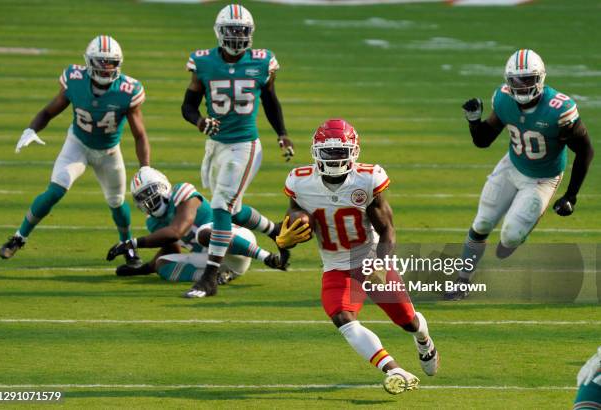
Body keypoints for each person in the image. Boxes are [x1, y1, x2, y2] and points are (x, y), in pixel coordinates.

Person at [277, 119, 439, 395]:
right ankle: (394, 369)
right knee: (342, 317)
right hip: (336, 266)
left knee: (407, 321)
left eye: (340, 152)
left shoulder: (367, 178)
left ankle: (424, 339)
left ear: (353, 152)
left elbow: (387, 229)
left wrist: (380, 263)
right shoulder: (300, 181)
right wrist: (284, 240)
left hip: (370, 257)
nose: (334, 157)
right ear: (316, 152)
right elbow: (295, 218)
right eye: (328, 152)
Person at [446, 49, 594, 301]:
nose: (521, 86)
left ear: (540, 78)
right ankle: (462, 280)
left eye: (527, 79)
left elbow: (586, 151)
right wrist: (474, 121)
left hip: (542, 178)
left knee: (510, 236)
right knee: (482, 222)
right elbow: (484, 140)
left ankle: (512, 240)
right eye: (516, 80)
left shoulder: (559, 109)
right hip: (511, 166)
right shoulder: (503, 99)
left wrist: (571, 195)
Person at [0, 35, 151, 268]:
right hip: (77, 144)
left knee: (117, 202)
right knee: (55, 189)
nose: (106, 67)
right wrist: (31, 129)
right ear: (90, 62)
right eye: (101, 62)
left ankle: (127, 248)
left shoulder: (127, 90)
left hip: (109, 151)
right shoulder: (75, 79)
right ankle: (19, 237)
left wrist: (145, 167)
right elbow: (48, 111)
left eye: (111, 62)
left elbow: (139, 134)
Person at [181, 4, 294, 298]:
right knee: (232, 207)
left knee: (220, 206)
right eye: (232, 30)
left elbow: (270, 100)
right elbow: (188, 106)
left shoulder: (262, 62)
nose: (237, 35)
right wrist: (200, 121)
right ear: (220, 32)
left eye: (242, 30)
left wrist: (282, 134)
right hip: (216, 145)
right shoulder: (203, 62)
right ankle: (276, 232)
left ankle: (209, 276)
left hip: (245, 144)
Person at [106, 167, 289, 284]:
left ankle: (267, 257)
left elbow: (177, 231)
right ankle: (218, 277)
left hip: (238, 243)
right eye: (142, 197)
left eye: (150, 192)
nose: (148, 200)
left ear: (163, 186)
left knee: (204, 232)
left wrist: (133, 243)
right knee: (163, 265)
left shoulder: (182, 192)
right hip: (214, 262)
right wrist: (144, 268)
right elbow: (172, 248)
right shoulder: (153, 221)